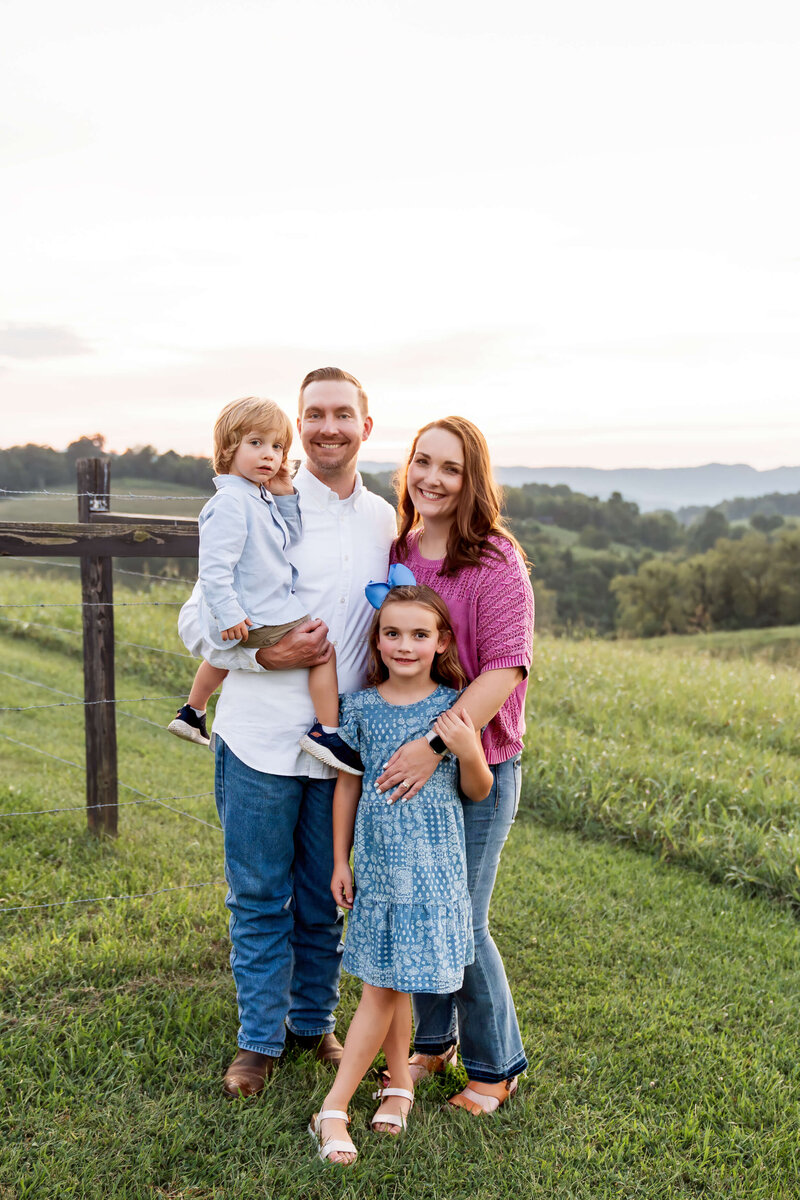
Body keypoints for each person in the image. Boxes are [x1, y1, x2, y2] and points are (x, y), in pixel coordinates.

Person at [205, 368, 396, 1097]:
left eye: (342, 414)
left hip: (342, 745)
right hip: (258, 732)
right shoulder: (256, 502)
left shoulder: (383, 518)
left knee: (324, 897)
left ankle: (311, 1023)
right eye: (313, 415)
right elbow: (199, 620)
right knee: (258, 895)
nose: (326, 428)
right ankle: (258, 1042)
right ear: (298, 425)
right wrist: (261, 651)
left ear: (365, 426)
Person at [376, 415, 534, 1114]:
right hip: (412, 764)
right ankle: (434, 1039)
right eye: (423, 462)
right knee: (420, 904)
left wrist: (434, 744)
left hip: (476, 763)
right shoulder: (401, 550)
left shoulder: (495, 558)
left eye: (451, 468)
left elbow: (504, 669)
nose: (432, 479)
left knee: (462, 919)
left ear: (473, 481)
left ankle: (497, 1066)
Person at [309, 582, 493, 1165]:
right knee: (386, 981)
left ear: (441, 641)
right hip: (382, 866)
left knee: (393, 981)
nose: (404, 644)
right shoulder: (360, 707)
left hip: (434, 868)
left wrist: (466, 750)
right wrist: (340, 859)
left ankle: (358, 1099)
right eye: (392, 633)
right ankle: (370, 1095)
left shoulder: (454, 709)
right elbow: (348, 784)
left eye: (419, 634)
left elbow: (478, 790)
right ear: (378, 640)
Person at [168, 395, 361, 775]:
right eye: (256, 443)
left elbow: (288, 536)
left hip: (251, 610)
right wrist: (230, 615)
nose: (269, 455)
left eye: (277, 447)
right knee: (322, 649)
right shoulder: (231, 503)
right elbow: (213, 569)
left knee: (219, 657)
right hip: (257, 611)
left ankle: (192, 711)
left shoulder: (257, 496)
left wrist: (284, 492)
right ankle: (326, 731)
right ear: (228, 448)